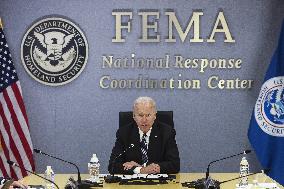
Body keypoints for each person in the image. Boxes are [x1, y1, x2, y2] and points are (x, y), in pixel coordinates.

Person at [108, 96, 180, 174]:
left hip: (159, 183)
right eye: (140, 115)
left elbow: (175, 165)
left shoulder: (167, 132)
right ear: (134, 116)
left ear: (155, 116)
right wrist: (141, 170)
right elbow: (112, 166)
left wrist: (144, 167)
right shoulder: (124, 133)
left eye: (148, 115)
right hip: (131, 184)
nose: (144, 120)